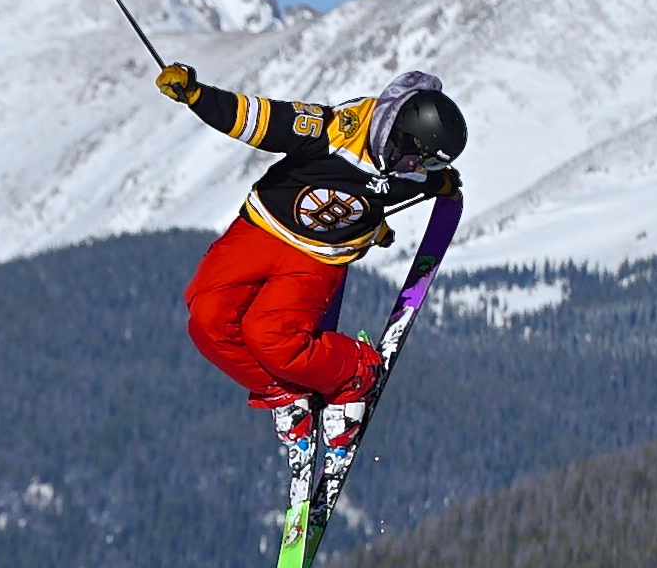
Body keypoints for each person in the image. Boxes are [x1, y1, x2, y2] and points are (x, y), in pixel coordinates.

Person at [156, 58, 467, 494]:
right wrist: (197, 94)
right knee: (208, 318)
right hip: (262, 228)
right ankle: (286, 395)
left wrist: (435, 189)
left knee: (271, 335)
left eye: (426, 163)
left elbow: (421, 183)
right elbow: (257, 120)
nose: (414, 166)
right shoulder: (329, 130)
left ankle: (356, 374)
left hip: (318, 256)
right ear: (396, 130)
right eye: (413, 155)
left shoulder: (418, 173)